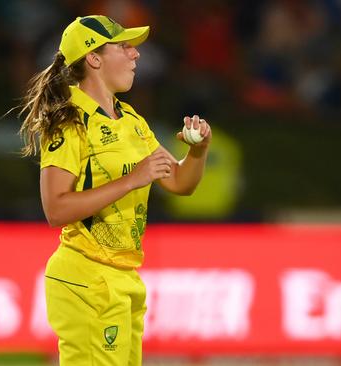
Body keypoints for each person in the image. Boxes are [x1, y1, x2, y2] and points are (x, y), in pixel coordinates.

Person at [17, 15, 212, 365]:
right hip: (87, 277)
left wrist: (197, 151)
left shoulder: (132, 121)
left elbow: (180, 183)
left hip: (124, 279)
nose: (135, 55)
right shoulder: (69, 120)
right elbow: (55, 209)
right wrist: (132, 180)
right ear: (94, 58)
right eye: (124, 46)